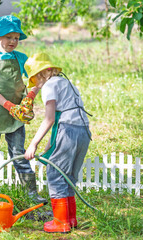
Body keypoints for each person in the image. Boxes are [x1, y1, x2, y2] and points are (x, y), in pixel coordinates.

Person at [0, 15, 47, 204]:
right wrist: (9, 106)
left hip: (17, 115)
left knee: (19, 153)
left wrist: (30, 97)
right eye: (8, 37)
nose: (13, 41)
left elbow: (38, 78)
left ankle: (31, 195)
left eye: (16, 37)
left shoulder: (21, 59)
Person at [24, 53, 92, 233]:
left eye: (35, 79)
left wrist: (33, 144)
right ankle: (71, 219)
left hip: (68, 131)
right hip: (83, 131)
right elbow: (63, 118)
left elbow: (49, 119)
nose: (36, 84)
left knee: (55, 174)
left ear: (42, 74)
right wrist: (49, 148)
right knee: (67, 175)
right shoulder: (66, 83)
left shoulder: (49, 86)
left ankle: (60, 223)